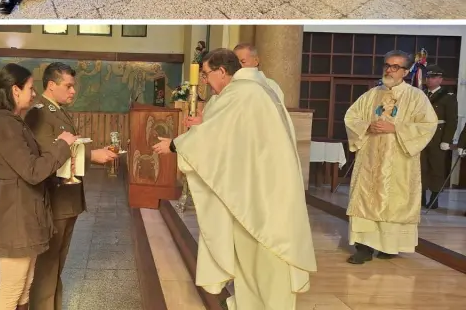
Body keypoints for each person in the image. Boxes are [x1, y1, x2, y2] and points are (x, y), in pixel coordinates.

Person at [153, 49, 316, 309]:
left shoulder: (243, 94)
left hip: (262, 196)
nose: (205, 80)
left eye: (206, 74)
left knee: (267, 258)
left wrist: (175, 145)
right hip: (259, 188)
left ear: (221, 71)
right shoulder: (255, 91)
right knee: (252, 260)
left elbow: (216, 136)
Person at [0, 63, 75, 310]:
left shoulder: (12, 122)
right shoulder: (4, 125)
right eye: (30, 88)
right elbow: (31, 171)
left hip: (26, 212)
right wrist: (62, 146)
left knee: (24, 289)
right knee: (11, 292)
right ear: (15, 90)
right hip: (16, 216)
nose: (33, 94)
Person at [26, 63, 118, 310]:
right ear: (51, 85)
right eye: (68, 86)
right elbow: (49, 152)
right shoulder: (38, 112)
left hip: (67, 198)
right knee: (47, 264)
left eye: (73, 86)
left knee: (57, 261)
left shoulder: (57, 110)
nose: (73, 91)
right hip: (53, 198)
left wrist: (93, 150)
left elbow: (69, 145)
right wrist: (92, 155)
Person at [344, 50, 438, 264]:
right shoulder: (371, 95)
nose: (389, 70)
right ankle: (364, 248)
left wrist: (395, 128)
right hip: (370, 160)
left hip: (399, 161)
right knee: (366, 201)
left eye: (395, 67)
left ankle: (389, 246)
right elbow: (351, 116)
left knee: (395, 202)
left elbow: (428, 125)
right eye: (387, 65)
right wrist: (367, 126)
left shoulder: (416, 97)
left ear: (405, 72)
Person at [421, 65, 458, 209]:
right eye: (428, 77)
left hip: (438, 136)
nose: (430, 80)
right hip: (423, 135)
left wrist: (447, 140)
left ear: (440, 79)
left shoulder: (448, 96)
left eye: (434, 77)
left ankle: (434, 198)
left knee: (436, 168)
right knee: (421, 167)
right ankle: (421, 196)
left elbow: (451, 120)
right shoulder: (422, 94)